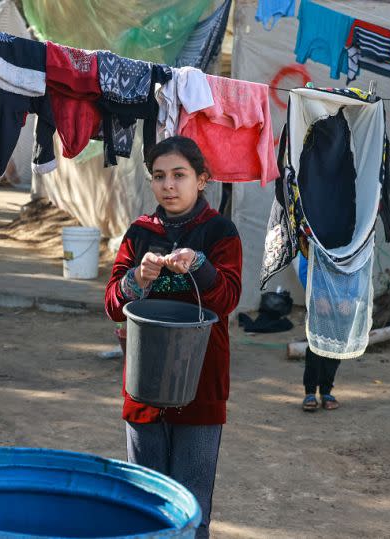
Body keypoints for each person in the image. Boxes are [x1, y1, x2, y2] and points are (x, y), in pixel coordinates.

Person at [104, 136, 242, 539]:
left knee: (192, 505)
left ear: (201, 180)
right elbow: (114, 304)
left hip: (201, 385)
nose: (169, 185)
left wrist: (199, 265)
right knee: (146, 504)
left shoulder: (220, 232)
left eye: (179, 175)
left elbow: (228, 297)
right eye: (160, 176)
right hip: (144, 388)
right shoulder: (139, 234)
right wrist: (136, 278)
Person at [298, 252, 342, 411]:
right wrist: (317, 296)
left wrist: (348, 297)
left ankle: (326, 391)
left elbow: (355, 268)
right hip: (319, 300)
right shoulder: (314, 233)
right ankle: (310, 392)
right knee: (316, 346)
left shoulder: (349, 235)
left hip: (341, 301)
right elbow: (304, 269)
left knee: (335, 348)